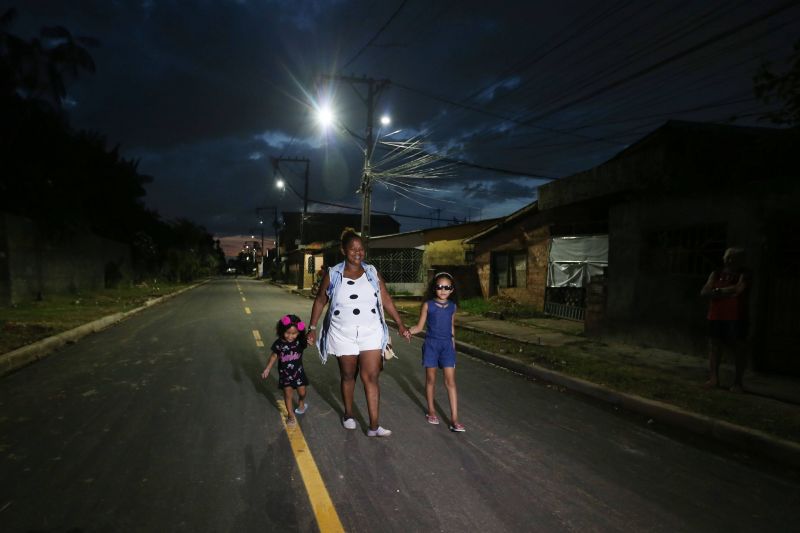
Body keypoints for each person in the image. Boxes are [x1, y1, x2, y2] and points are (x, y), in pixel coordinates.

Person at [307, 228, 411, 437]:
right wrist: (312, 328)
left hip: (370, 331)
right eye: (353, 249)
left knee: (370, 376)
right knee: (348, 375)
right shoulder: (333, 273)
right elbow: (320, 300)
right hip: (341, 332)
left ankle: (374, 426)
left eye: (361, 249)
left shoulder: (372, 272)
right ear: (344, 250)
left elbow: (386, 299)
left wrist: (400, 323)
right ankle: (348, 414)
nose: (358, 253)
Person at [409, 272, 465, 432]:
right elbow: (419, 327)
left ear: (452, 290)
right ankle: (431, 411)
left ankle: (454, 419)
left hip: (447, 347)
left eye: (447, 287)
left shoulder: (453, 307)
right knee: (431, 380)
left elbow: (452, 327)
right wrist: (407, 331)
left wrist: (452, 346)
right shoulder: (428, 305)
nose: (443, 290)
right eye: (440, 287)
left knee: (450, 382)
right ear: (434, 288)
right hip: (431, 346)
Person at [701, 247, 748, 392]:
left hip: (735, 317)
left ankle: (738, 382)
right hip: (715, 315)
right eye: (728, 257)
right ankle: (714, 379)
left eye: (734, 257)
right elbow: (704, 292)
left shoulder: (744, 274)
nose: (730, 260)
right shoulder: (716, 274)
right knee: (714, 347)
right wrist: (727, 290)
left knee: (738, 348)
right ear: (724, 258)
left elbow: (739, 290)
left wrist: (716, 292)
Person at [261, 314, 310, 425]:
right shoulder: (279, 344)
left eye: (294, 333)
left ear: (299, 333)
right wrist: (267, 369)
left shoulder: (300, 342)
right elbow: (274, 356)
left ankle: (301, 402)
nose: (290, 336)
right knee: (288, 395)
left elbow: (309, 340)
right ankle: (291, 416)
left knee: (302, 392)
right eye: (287, 333)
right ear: (282, 330)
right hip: (285, 374)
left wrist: (309, 341)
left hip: (298, 373)